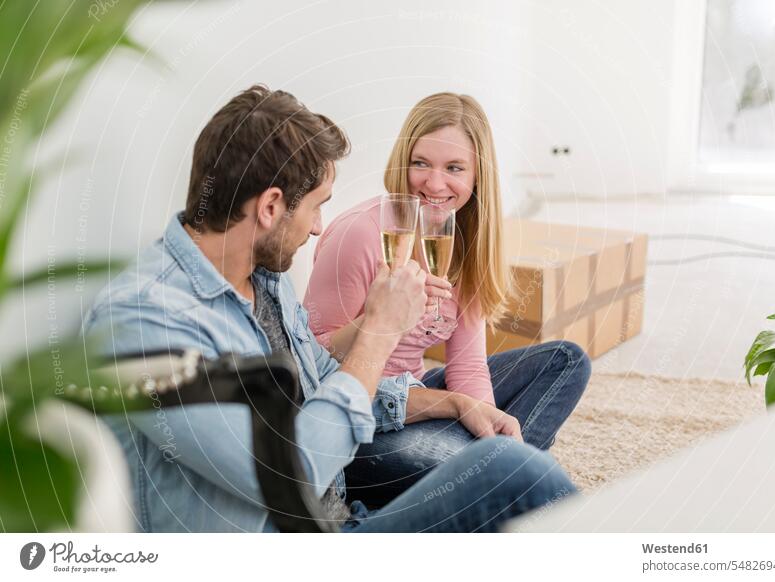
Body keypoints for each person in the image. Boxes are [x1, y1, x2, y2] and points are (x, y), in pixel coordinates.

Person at [82, 84, 576, 533]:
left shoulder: (265, 284)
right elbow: (291, 472)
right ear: (272, 207)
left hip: (343, 515)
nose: (319, 227)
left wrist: (458, 404)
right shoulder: (147, 322)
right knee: (507, 472)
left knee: (513, 443)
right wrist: (379, 330)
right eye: (317, 206)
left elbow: (329, 382)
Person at [303, 92, 591, 506]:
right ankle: (492, 489)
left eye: (454, 168)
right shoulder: (360, 236)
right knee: (465, 463)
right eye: (421, 163)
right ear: (403, 161)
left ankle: (485, 484)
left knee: (565, 362)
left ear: (477, 176)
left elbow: (468, 367)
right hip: (359, 422)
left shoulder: (464, 241)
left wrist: (479, 419)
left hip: (417, 396)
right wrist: (381, 319)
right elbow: (318, 371)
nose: (434, 184)